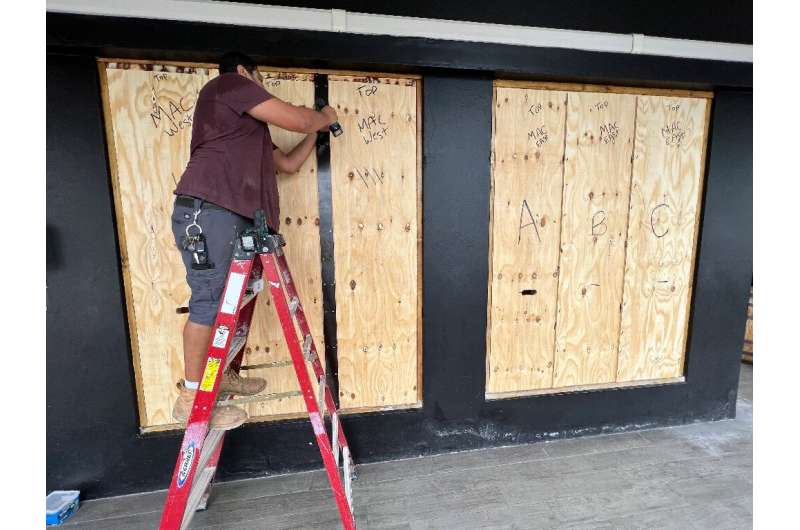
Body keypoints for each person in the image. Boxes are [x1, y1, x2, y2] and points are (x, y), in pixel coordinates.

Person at [170, 51, 339, 430]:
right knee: (208, 304)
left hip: (232, 218)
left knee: (232, 299)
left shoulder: (247, 131)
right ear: (247, 72)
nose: (261, 89)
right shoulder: (229, 85)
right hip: (209, 213)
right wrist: (323, 119)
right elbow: (296, 119)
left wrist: (316, 132)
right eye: (260, 79)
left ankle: (222, 373)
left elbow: (290, 164)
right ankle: (191, 398)